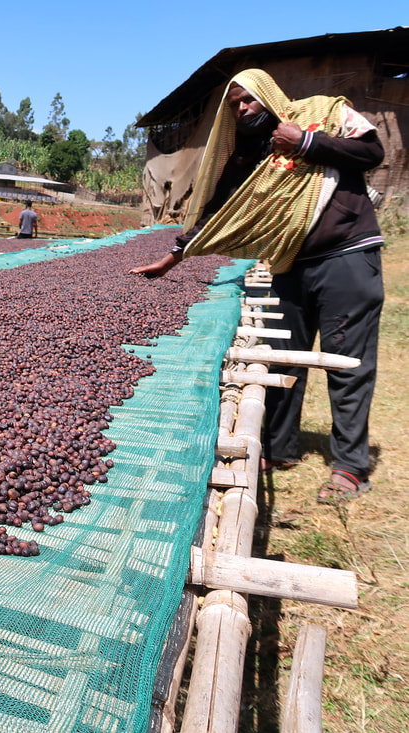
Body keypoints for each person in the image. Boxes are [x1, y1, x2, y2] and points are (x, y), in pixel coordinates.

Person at [130, 68, 385, 505]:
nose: (242, 108)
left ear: (268, 95)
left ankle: (349, 467)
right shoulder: (246, 154)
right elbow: (216, 214)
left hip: (345, 255)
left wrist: (305, 142)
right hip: (289, 261)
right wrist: (172, 259)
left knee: (346, 362)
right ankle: (279, 449)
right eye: (234, 104)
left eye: (249, 99)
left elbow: (371, 153)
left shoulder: (321, 115)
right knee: (282, 360)